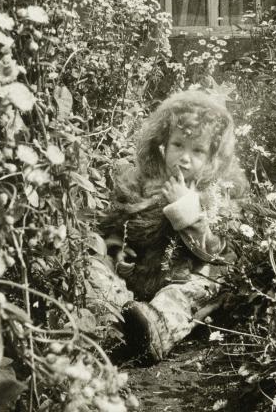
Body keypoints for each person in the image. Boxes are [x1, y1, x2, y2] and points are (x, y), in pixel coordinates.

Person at [86, 89, 248, 362]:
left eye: (197, 150)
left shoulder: (215, 193)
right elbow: (116, 224)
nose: (185, 157)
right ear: (163, 144)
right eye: (178, 145)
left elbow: (217, 252)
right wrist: (118, 250)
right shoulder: (142, 180)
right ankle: (117, 316)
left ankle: (156, 330)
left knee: (203, 285)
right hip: (136, 279)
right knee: (93, 263)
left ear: (212, 157)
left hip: (181, 276)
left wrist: (187, 210)